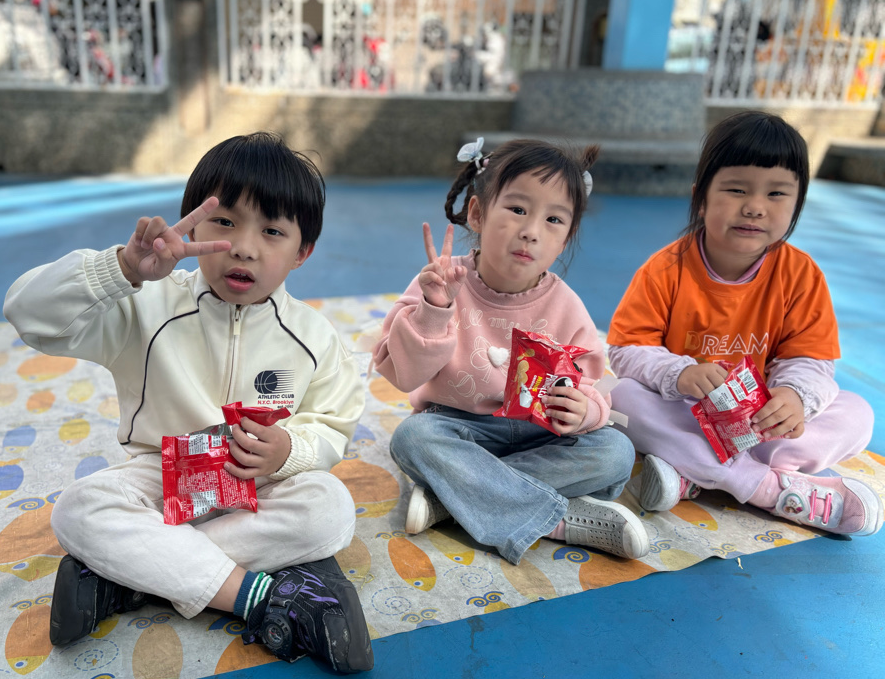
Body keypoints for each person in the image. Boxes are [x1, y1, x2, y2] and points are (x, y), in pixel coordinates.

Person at [3, 132, 374, 673]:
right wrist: (121, 271)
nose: (244, 247)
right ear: (192, 226)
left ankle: (128, 577)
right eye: (224, 221)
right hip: (161, 477)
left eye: (272, 231)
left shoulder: (313, 337)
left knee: (331, 507)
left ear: (302, 252)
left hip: (258, 483)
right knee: (80, 508)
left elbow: (333, 424)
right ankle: (258, 596)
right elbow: (27, 313)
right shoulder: (146, 304)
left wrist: (288, 450)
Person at [372, 137, 646, 565]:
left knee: (616, 452)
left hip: (541, 437)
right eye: (518, 209)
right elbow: (402, 375)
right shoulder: (442, 283)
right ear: (477, 214)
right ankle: (555, 519)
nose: (531, 231)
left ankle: (452, 498)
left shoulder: (567, 304)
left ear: (565, 239)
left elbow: (592, 383)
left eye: (553, 220)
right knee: (413, 439)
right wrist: (435, 311)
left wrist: (585, 411)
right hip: (461, 430)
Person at [606, 111, 881, 536]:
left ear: (797, 205)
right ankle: (766, 487)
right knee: (621, 399)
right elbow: (626, 350)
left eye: (776, 193)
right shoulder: (664, 269)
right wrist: (679, 374)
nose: (754, 207)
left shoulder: (801, 275)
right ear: (701, 198)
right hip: (688, 414)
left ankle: (696, 472)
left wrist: (794, 397)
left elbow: (811, 359)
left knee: (858, 414)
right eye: (736, 189)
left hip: (761, 427)